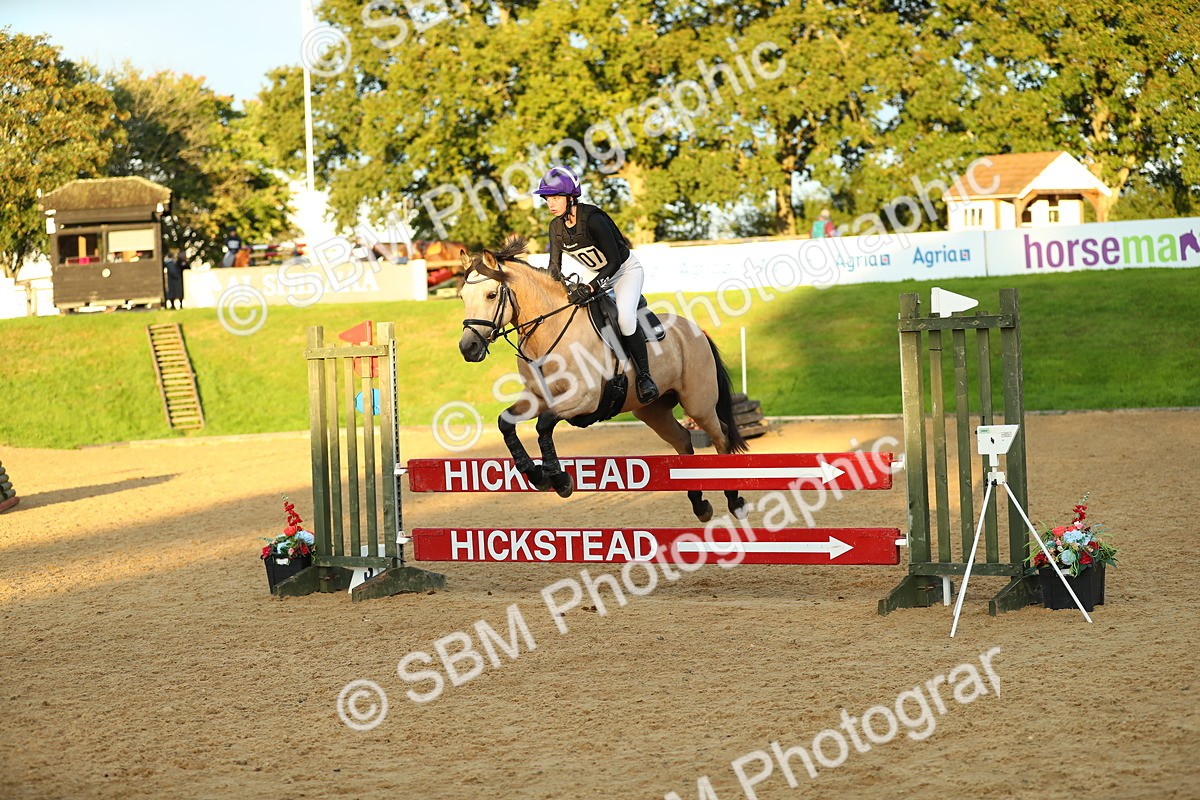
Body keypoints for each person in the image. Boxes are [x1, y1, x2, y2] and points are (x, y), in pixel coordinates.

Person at [534, 167, 659, 405]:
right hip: (594, 273)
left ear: (571, 198)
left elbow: (614, 262)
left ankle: (645, 377)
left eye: (556, 197)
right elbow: (554, 268)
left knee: (625, 319)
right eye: (547, 199)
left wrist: (590, 288)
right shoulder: (555, 227)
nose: (551, 203)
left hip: (624, 271)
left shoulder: (593, 219)